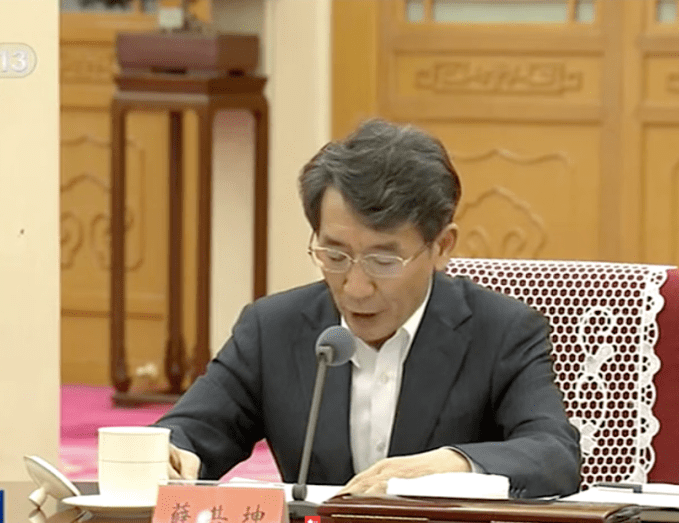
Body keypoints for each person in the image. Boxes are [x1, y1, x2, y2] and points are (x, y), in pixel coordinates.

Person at [153, 119, 581, 498]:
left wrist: (452, 465)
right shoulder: (273, 329)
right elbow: (188, 432)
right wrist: (172, 454)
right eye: (335, 256)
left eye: (384, 261)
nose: (356, 288)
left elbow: (552, 454)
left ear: (441, 246)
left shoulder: (501, 331)